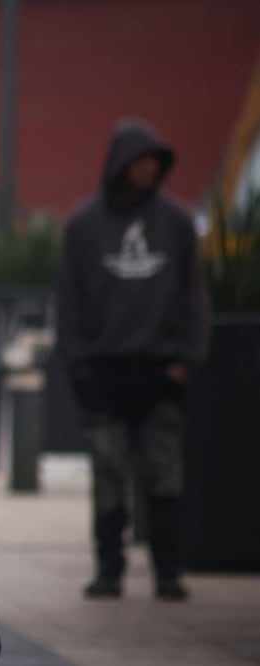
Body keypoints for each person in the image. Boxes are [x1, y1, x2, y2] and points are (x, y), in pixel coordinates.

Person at [57, 119, 209, 602]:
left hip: (162, 371)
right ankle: (109, 571)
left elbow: (195, 297)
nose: (148, 169)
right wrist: (79, 363)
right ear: (120, 164)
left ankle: (168, 572)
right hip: (104, 373)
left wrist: (188, 358)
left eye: (155, 163)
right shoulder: (83, 225)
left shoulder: (178, 223)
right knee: (108, 479)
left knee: (165, 477)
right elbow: (69, 299)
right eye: (140, 161)